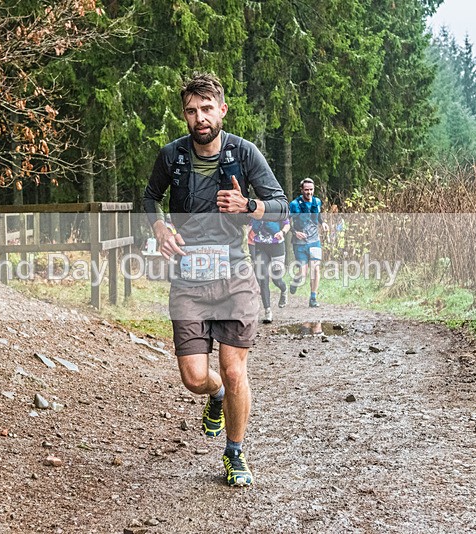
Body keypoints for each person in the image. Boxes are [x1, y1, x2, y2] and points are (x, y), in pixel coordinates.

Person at [143, 73, 288, 487]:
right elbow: (150, 196)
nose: (200, 118)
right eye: (192, 111)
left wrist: (249, 205)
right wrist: (158, 227)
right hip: (188, 278)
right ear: (185, 116)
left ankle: (235, 452)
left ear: (222, 110)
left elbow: (280, 206)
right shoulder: (172, 156)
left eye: (207, 109)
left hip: (235, 274)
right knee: (194, 377)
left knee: (234, 368)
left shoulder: (245, 153)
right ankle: (216, 395)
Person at [289, 178, 328, 307]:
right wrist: (295, 232)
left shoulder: (317, 201)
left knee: (315, 269)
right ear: (301, 190)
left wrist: (323, 224)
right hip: (299, 243)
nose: (309, 192)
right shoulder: (294, 204)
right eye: (306, 190)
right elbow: (286, 222)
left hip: (314, 241)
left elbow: (318, 217)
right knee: (303, 272)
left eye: (311, 190)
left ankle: (313, 298)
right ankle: (295, 280)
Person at [248, 217, 290, 323]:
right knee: (263, 278)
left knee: (276, 279)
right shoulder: (256, 209)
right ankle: (268, 311)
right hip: (260, 246)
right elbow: (249, 227)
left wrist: (282, 232)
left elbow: (287, 224)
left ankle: (284, 290)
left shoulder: (277, 206)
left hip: (277, 245)